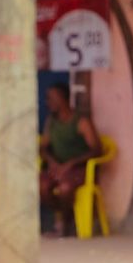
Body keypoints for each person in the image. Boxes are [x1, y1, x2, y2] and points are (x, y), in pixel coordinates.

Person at [39, 82, 101, 236]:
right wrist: (52, 162)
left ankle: (64, 224)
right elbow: (42, 147)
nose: (48, 102)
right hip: (57, 167)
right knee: (40, 187)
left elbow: (96, 149)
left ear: (63, 99)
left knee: (65, 188)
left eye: (52, 98)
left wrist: (71, 163)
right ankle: (65, 217)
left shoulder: (81, 121)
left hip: (78, 168)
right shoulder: (50, 122)